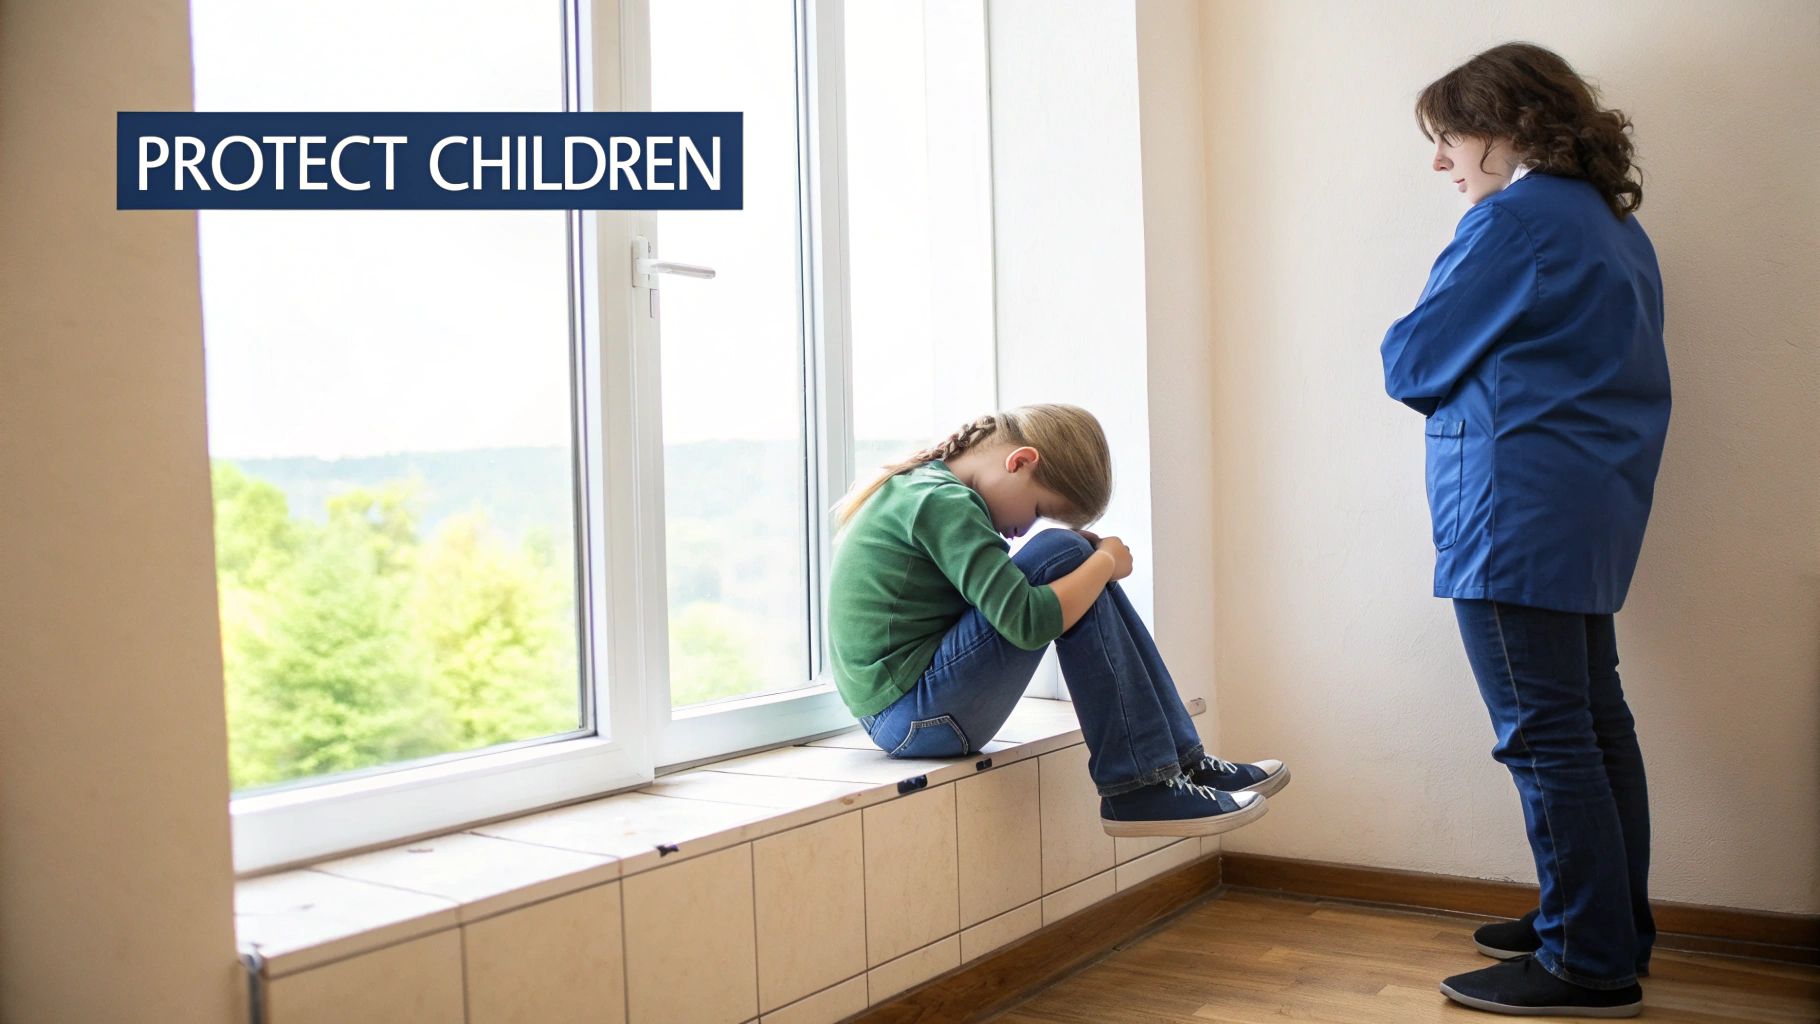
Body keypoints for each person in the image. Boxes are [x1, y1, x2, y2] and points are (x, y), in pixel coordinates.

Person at [1381, 42, 1670, 1018]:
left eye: (1447, 139)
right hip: (1586, 508)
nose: (1440, 164)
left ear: (1501, 124)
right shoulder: (1612, 225)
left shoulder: (1508, 221)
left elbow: (1411, 359)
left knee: (1546, 734)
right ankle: (1602, 921)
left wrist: (1476, 225)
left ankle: (1584, 960)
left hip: (1512, 512)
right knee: (1593, 721)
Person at [827, 403, 1288, 838]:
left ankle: (1182, 764)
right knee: (1065, 552)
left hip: (917, 713)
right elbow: (1027, 623)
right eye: (1039, 511)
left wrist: (1091, 562)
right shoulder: (940, 502)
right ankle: (1141, 786)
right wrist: (1102, 563)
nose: (1025, 528)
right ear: (1020, 462)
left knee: (1072, 555)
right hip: (913, 719)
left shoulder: (929, 490)